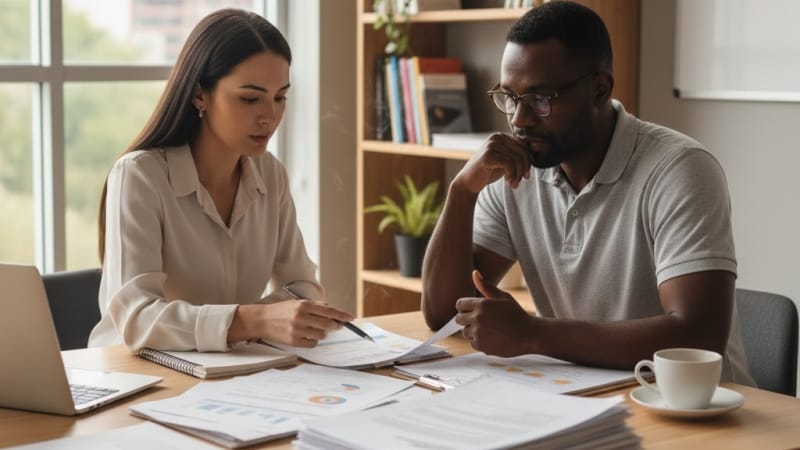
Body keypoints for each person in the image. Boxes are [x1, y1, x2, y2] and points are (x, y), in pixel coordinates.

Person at [421, 1, 754, 384]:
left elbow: (697, 337)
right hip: (591, 392)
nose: (518, 120)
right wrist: (462, 190)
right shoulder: (517, 170)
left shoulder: (679, 169)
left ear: (599, 89)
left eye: (539, 100)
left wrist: (534, 333)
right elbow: (444, 313)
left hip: (699, 411)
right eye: (509, 98)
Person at [88, 9, 353, 352]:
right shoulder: (140, 175)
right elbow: (138, 319)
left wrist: (269, 317)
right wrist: (254, 320)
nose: (270, 117)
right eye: (249, 98)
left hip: (229, 373)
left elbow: (302, 284)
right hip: (136, 375)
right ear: (200, 95)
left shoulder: (270, 175)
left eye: (280, 97)